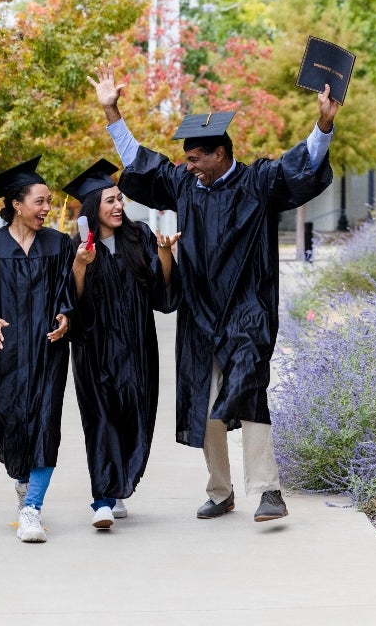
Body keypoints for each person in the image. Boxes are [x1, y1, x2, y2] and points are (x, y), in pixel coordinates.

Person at [88, 65, 339, 522]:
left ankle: (268, 490)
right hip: (200, 311)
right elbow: (143, 163)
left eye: (195, 158)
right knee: (204, 405)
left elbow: (301, 162)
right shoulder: (186, 185)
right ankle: (221, 491)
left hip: (248, 309)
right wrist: (112, 112)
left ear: (220, 153)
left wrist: (323, 123)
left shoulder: (259, 183)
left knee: (251, 391)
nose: (188, 166)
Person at [64, 159, 178, 530]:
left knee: (134, 417)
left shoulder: (139, 236)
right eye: (110, 200)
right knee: (101, 420)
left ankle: (117, 487)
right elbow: (71, 301)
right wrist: (81, 265)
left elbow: (161, 293)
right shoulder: (75, 247)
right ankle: (102, 498)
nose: (118, 206)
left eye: (119, 199)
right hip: (94, 348)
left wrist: (165, 253)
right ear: (92, 207)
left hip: (137, 346)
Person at [0, 156, 75, 543]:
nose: (46, 208)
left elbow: (68, 290)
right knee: (12, 427)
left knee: (45, 426)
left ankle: (32, 508)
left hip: (47, 351)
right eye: (39, 201)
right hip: (6, 354)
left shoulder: (59, 244)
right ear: (17, 204)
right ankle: (23, 482)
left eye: (49, 202)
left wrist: (65, 315)